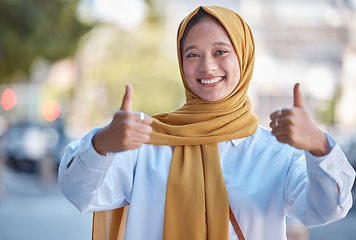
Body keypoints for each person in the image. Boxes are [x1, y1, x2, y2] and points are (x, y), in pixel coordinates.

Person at [58, 5, 355, 240]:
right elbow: (81, 193)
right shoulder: (147, 143)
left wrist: (319, 146)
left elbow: (325, 210)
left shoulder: (275, 152)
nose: (207, 66)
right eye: (192, 54)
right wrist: (100, 145)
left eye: (221, 51)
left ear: (244, 56)